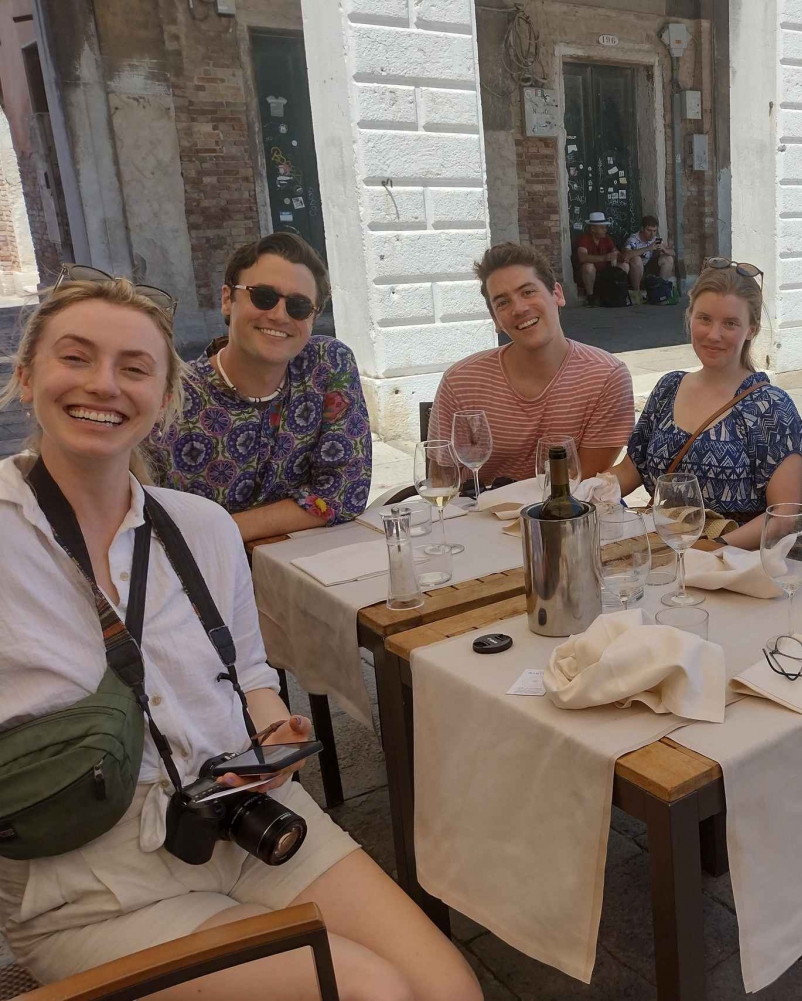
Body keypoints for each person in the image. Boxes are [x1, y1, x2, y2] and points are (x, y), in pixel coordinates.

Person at [0, 278, 480, 1000]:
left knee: (450, 988)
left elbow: (250, 671)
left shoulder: (202, 527)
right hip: (87, 880)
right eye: (77, 357)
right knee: (368, 988)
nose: (104, 384)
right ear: (27, 374)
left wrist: (269, 729)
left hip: (240, 815)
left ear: (165, 401)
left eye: (134, 368)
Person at [152, 233, 371, 542]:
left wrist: (222, 531)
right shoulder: (171, 398)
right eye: (263, 296)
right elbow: (154, 527)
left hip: (303, 573)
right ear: (228, 300)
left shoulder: (327, 365)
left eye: (298, 306)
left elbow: (345, 493)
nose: (280, 315)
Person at [607, 258, 802, 550]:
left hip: (732, 567)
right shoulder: (669, 387)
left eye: (730, 323)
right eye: (704, 319)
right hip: (666, 553)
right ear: (690, 318)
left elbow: (784, 517)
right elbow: (630, 470)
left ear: (751, 329)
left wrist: (712, 549)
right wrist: (580, 495)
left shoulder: (770, 408)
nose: (714, 335)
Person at [430, 242, 635, 486]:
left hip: (567, 516)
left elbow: (583, 485)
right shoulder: (461, 381)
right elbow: (441, 482)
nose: (519, 308)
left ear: (557, 294)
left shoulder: (606, 376)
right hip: (478, 518)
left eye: (528, 292)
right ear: (496, 320)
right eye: (502, 303)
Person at [622, 215, 676, 304]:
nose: (652, 234)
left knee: (668, 259)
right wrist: (648, 248)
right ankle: (637, 294)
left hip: (649, 270)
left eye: (654, 231)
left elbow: (673, 253)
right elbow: (626, 255)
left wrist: (664, 250)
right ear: (642, 229)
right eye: (649, 230)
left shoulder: (656, 239)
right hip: (634, 272)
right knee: (636, 259)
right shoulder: (633, 239)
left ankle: (660, 290)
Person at [573, 211, 620, 306]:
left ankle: (616, 293)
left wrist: (615, 255)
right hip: (586, 275)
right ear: (593, 228)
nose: (605, 230)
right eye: (602, 227)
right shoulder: (584, 239)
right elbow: (582, 257)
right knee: (588, 267)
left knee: (624, 266)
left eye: (605, 227)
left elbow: (616, 252)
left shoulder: (606, 239)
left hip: (604, 272)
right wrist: (604, 258)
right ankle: (591, 297)